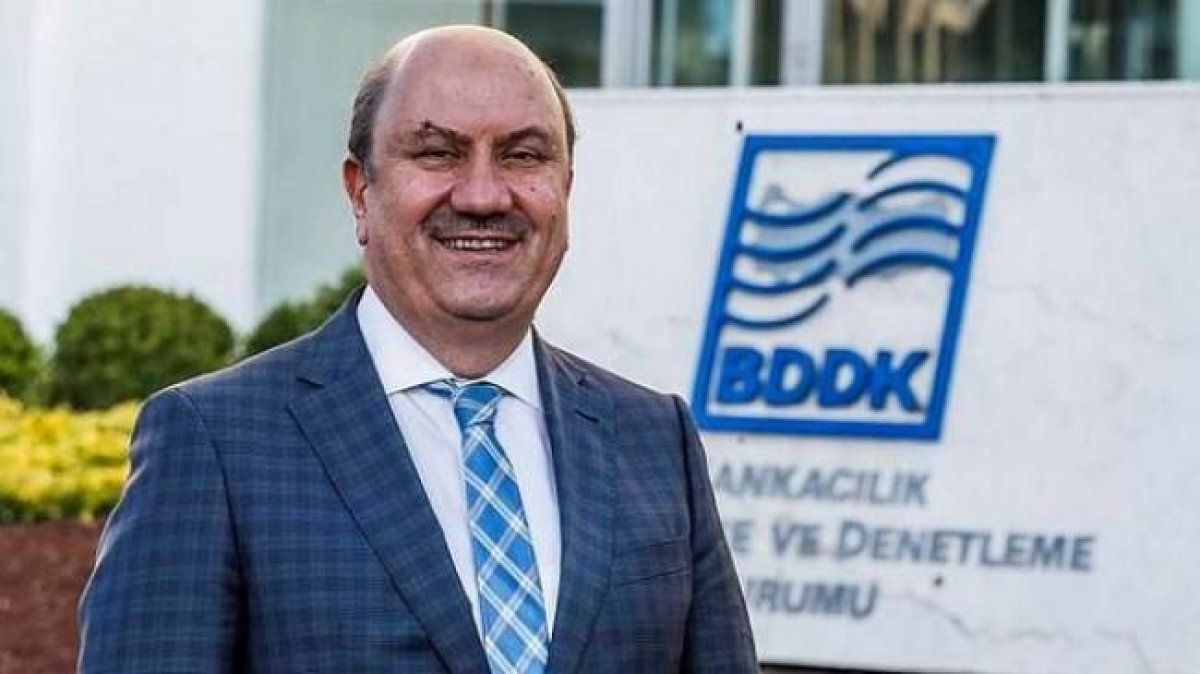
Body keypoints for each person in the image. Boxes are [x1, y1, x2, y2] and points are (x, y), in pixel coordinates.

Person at [78, 25, 757, 673]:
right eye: (437, 153)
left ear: (566, 189)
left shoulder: (653, 439)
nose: (485, 195)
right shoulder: (217, 444)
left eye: (523, 155)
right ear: (360, 192)